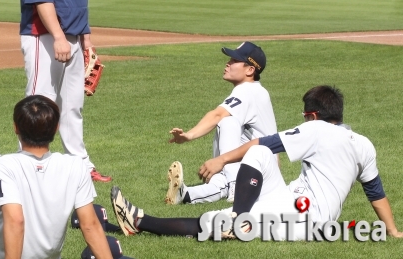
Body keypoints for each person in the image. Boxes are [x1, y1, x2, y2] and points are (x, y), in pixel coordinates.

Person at [111, 86, 403, 240]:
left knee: (220, 214)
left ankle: (139, 221)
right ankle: (238, 216)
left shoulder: (316, 129)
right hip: (296, 204)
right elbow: (375, 192)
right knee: (259, 156)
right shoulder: (364, 144)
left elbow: (263, 143)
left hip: (302, 219)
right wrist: (391, 230)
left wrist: (221, 159)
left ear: (313, 116)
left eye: (304, 115)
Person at [0, 95, 113, 259]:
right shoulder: (76, 166)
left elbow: (15, 220)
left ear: (15, 128)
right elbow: (90, 225)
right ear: (56, 128)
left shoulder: (3, 165)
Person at [18, 0, 110, 182]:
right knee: (39, 102)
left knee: (73, 104)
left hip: (70, 36)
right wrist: (58, 36)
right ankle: (30, 165)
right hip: (43, 37)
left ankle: (80, 164)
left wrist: (85, 38)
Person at [166, 41, 276, 205]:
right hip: (256, 170)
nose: (228, 63)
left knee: (227, 122)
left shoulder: (249, 91)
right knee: (219, 181)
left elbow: (217, 115)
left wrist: (189, 135)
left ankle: (235, 186)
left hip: (258, 173)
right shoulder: (254, 90)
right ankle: (184, 194)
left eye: (234, 61)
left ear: (250, 70)